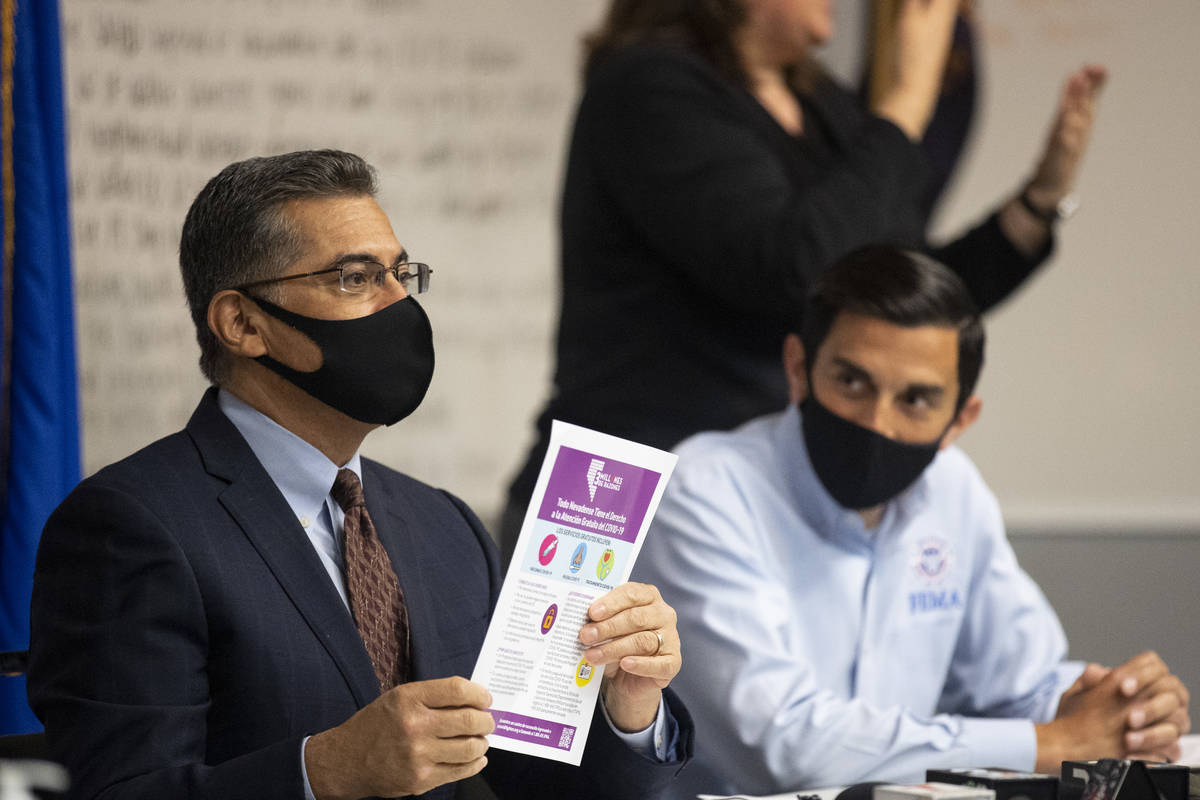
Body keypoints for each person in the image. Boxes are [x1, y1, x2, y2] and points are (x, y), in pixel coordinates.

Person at [27, 150, 693, 800]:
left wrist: (628, 707)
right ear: (241, 322)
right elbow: (118, 787)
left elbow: (539, 782)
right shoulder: (130, 526)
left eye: (402, 273)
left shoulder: (445, 527)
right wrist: (322, 774)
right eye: (355, 277)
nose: (399, 302)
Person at [499, 0, 1107, 567]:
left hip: (764, 492)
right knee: (585, 685)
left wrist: (1037, 205)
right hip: (619, 487)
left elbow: (891, 300)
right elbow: (793, 270)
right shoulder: (648, 85)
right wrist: (907, 100)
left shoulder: (820, 107)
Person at [632, 246, 1190, 798]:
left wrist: (1121, 708)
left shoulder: (953, 490)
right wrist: (1047, 743)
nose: (878, 423)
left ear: (960, 419)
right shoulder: (704, 489)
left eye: (917, 400)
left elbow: (1025, 683)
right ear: (799, 370)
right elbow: (783, 746)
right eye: (852, 382)